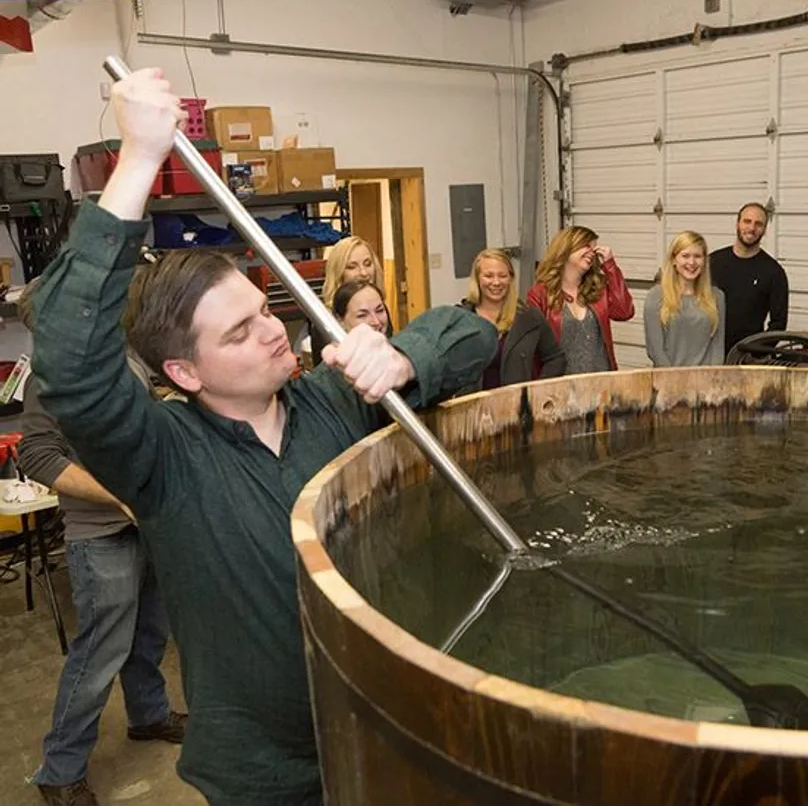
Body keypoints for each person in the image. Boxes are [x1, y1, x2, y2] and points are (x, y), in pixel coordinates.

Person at [28, 68, 497, 806]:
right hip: (264, 775)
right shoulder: (161, 458)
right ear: (183, 370)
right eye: (240, 331)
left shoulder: (335, 400)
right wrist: (139, 159)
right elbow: (66, 356)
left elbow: (471, 333)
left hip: (388, 728)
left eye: (264, 309)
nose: (274, 329)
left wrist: (405, 356)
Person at [18, 284, 185, 806]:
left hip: (145, 521)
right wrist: (119, 497)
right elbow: (38, 457)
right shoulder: (52, 373)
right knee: (100, 652)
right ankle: (60, 767)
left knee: (149, 632)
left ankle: (149, 714)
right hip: (100, 531)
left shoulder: (120, 352)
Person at [526, 226, 634, 374]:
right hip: (560, 387)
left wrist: (610, 265)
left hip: (601, 384)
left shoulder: (598, 289)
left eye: (595, 249)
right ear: (566, 248)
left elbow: (624, 311)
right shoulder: (539, 295)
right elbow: (532, 349)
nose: (592, 253)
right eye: (587, 246)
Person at [459, 248, 565, 390]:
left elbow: (556, 358)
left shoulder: (530, 318)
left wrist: (538, 390)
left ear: (511, 278)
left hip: (517, 409)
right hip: (472, 409)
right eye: (488, 276)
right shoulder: (460, 319)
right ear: (477, 279)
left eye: (502, 276)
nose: (496, 282)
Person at [709, 202, 789, 354]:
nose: (752, 228)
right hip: (709, 355)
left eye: (758, 224)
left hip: (746, 359)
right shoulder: (712, 262)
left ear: (764, 230)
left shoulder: (774, 273)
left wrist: (758, 353)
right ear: (737, 224)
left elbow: (778, 324)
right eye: (747, 221)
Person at [644, 231, 726, 367]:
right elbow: (655, 350)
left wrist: (712, 378)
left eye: (698, 256)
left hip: (706, 382)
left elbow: (717, 347)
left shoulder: (717, 297)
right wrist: (675, 381)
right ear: (674, 260)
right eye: (685, 256)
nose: (692, 262)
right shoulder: (656, 296)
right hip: (668, 381)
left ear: (705, 261)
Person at [310, 236, 392, 366]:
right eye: (352, 267)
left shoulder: (380, 311)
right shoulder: (325, 323)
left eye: (367, 264)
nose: (364, 273)